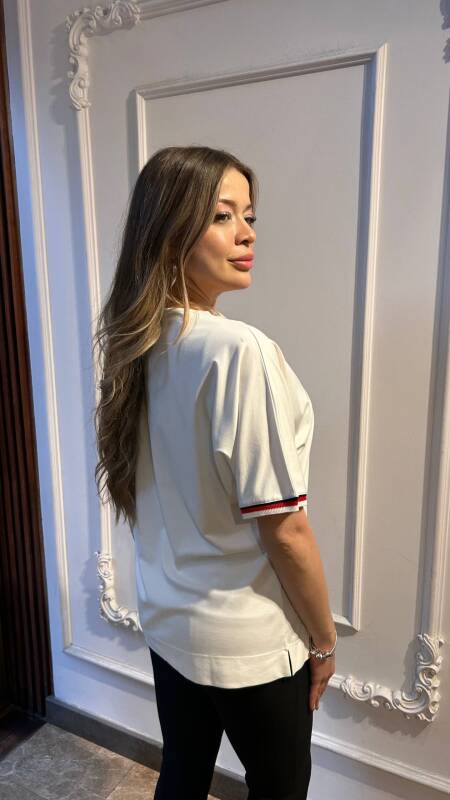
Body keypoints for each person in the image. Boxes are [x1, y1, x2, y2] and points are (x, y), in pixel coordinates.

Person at [93, 145, 336, 800]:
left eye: (249, 215)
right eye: (222, 215)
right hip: (249, 640)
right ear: (170, 231)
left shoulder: (139, 341)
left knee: (182, 770)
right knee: (279, 788)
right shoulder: (238, 351)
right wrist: (323, 640)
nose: (247, 233)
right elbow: (285, 529)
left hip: (171, 620)